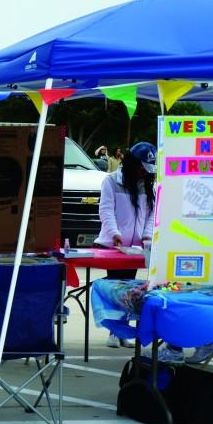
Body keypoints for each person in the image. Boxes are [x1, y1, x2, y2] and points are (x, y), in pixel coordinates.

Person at [95, 142, 156, 351]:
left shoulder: (149, 185)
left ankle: (123, 330)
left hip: (136, 248)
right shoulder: (111, 181)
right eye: (141, 168)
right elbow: (106, 210)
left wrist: (147, 237)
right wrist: (115, 235)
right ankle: (114, 330)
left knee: (131, 290)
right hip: (113, 247)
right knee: (116, 288)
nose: (143, 173)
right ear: (132, 164)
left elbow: (151, 214)